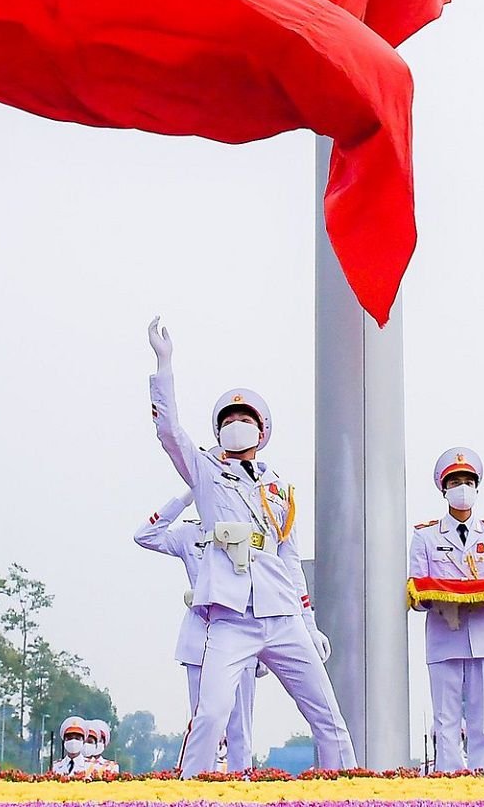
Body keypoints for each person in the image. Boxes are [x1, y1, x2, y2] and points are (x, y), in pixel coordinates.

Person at [146, 317, 355, 776]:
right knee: (212, 715)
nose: (236, 426)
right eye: (229, 420)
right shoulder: (204, 472)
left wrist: (309, 620)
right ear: (218, 432)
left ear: (262, 433)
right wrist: (164, 366)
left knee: (328, 716)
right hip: (231, 617)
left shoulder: (280, 489)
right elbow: (169, 432)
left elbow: (289, 559)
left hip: (281, 614)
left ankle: (348, 791)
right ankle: (193, 790)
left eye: (245, 420)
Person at [408, 446, 484, 773]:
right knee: (446, 718)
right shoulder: (426, 536)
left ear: (476, 487)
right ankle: (449, 776)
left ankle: (482, 775)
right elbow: (417, 592)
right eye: (455, 481)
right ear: (444, 489)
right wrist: (440, 597)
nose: (462, 487)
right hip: (444, 634)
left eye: (467, 481)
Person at [134, 488, 258, 771]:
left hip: (242, 630)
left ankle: (244, 787)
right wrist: (184, 498)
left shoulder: (250, 530)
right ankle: (203, 785)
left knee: (241, 728)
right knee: (204, 721)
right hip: (201, 631)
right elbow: (145, 536)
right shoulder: (190, 535)